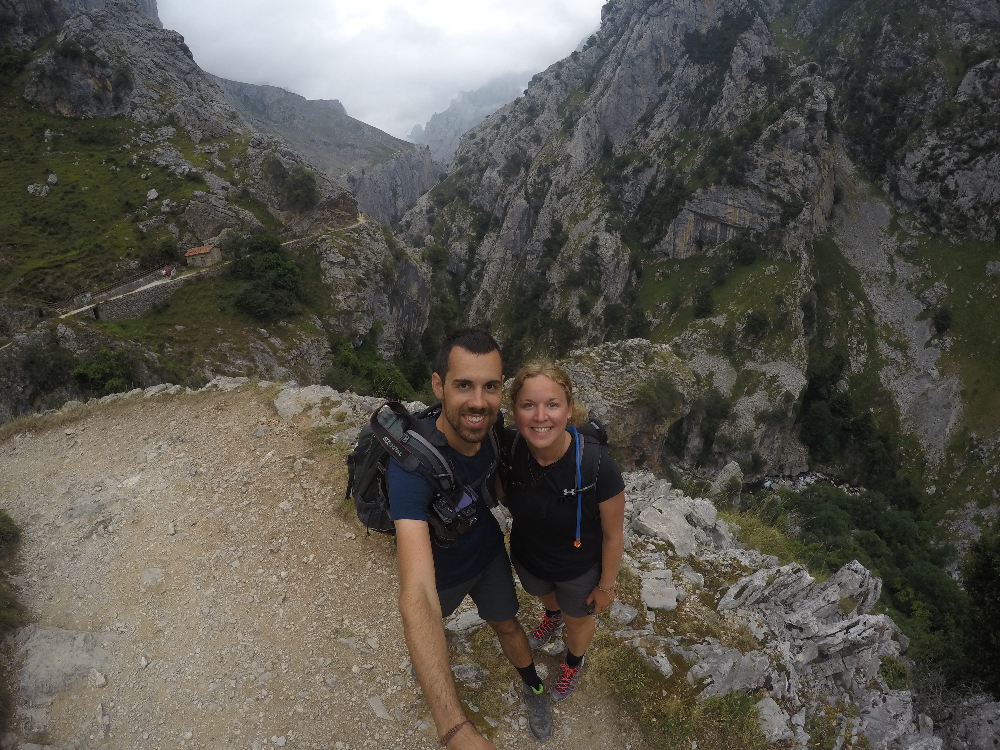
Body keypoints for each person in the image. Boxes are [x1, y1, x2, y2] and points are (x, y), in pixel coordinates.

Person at [387, 329, 553, 748]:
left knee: (507, 626)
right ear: (438, 385)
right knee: (428, 626)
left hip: (486, 554)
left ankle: (533, 687)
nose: (479, 402)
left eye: (491, 387)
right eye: (463, 385)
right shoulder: (411, 470)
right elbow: (417, 594)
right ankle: (430, 666)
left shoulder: (493, 433)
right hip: (440, 575)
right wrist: (454, 728)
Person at [501, 361, 626, 703]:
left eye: (552, 405)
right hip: (530, 558)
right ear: (515, 411)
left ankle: (573, 661)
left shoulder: (598, 465)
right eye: (529, 405)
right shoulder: (509, 449)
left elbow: (614, 535)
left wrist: (606, 587)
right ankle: (551, 614)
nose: (541, 416)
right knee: (545, 596)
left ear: (569, 410)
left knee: (578, 623)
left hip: (578, 570)